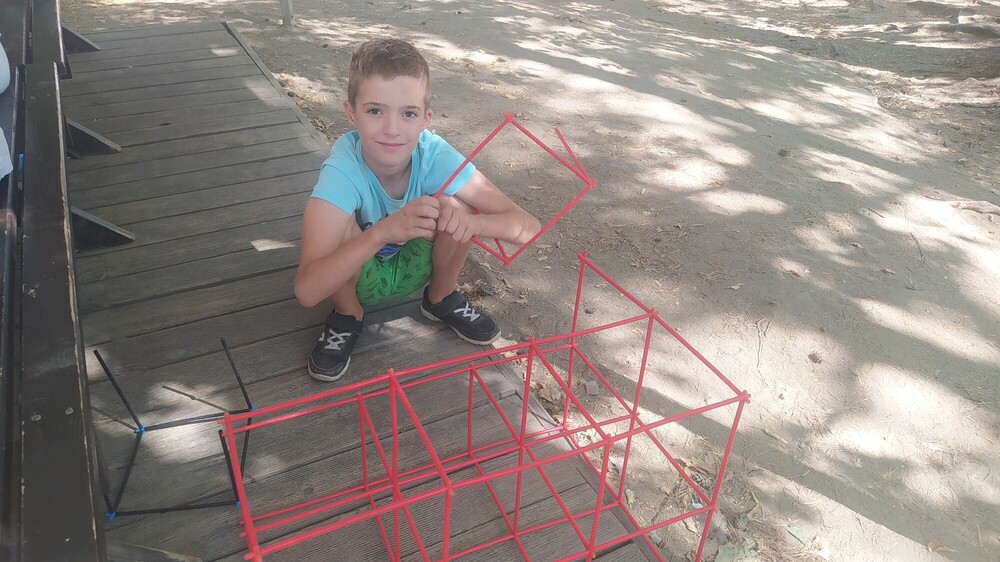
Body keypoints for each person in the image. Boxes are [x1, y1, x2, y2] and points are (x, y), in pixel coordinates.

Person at [294, 38, 540, 382]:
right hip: (357, 277)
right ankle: (348, 316)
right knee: (342, 223)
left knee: (456, 206)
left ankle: (440, 298)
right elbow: (307, 291)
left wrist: (472, 224)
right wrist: (381, 233)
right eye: (375, 111)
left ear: (426, 119)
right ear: (351, 112)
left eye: (408, 113)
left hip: (415, 265)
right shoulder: (341, 171)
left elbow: (528, 226)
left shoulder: (434, 154)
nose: (392, 129)